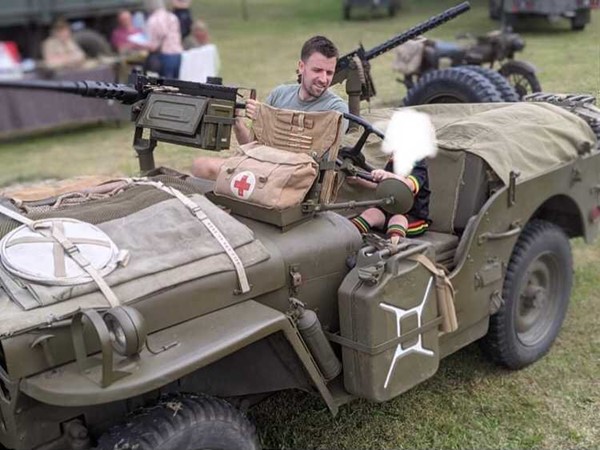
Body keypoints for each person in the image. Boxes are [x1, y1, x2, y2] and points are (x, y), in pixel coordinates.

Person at [191, 35, 348, 180]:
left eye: (329, 73)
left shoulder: (336, 109)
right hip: (263, 167)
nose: (323, 79)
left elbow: (310, 158)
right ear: (301, 67)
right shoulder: (280, 94)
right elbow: (253, 148)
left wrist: (268, 117)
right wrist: (237, 121)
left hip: (295, 178)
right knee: (201, 166)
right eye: (317, 70)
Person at [350, 158, 430, 243]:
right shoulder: (392, 162)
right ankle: (348, 235)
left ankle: (392, 246)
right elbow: (380, 185)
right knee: (371, 213)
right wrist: (359, 181)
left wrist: (388, 175)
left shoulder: (419, 166)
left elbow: (410, 185)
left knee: (398, 219)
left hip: (412, 217)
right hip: (388, 212)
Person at [145, 0, 183, 79]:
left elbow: (153, 45)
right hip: (177, 54)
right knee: (176, 84)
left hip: (164, 55)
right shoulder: (173, 17)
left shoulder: (152, 20)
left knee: (165, 86)